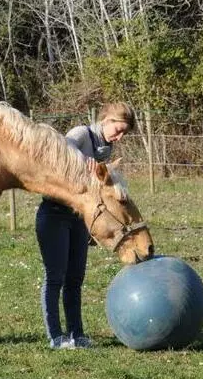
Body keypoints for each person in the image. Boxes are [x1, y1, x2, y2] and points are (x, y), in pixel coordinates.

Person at [36, 102, 136, 349]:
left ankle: (77, 334)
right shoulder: (82, 134)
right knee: (55, 277)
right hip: (54, 214)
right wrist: (84, 159)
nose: (119, 136)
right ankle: (56, 337)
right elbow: (62, 150)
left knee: (75, 278)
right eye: (118, 129)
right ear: (106, 120)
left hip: (79, 218)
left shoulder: (106, 147)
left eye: (124, 133)